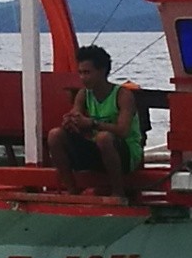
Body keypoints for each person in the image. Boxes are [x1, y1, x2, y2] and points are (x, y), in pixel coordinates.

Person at [48, 44, 147, 200]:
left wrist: (92, 124)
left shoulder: (122, 95)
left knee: (104, 138)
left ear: (102, 71)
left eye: (87, 73)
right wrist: (71, 122)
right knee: (55, 135)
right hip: (99, 150)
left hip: (125, 154)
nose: (82, 78)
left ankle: (118, 193)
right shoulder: (83, 94)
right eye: (80, 73)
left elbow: (123, 131)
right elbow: (76, 114)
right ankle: (72, 191)